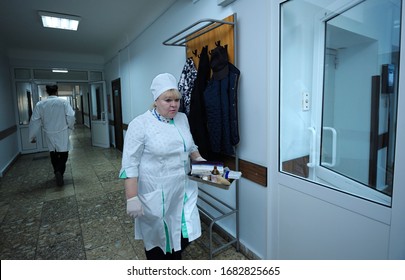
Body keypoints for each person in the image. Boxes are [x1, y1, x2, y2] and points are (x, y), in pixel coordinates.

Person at [119, 73, 205, 260]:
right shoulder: (140, 124)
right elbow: (130, 164)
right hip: (156, 193)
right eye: (168, 100)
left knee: (183, 235)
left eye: (177, 100)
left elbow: (190, 146)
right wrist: (132, 197)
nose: (174, 104)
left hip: (182, 190)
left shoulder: (182, 119)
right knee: (158, 242)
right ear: (156, 100)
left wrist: (200, 161)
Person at [29, 85, 75, 186]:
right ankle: (59, 172)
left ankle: (57, 172)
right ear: (57, 91)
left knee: (53, 154)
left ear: (46, 91)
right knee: (64, 154)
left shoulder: (40, 104)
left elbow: (34, 121)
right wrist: (70, 126)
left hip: (49, 133)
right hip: (62, 132)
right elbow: (71, 116)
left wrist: (32, 136)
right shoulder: (63, 102)